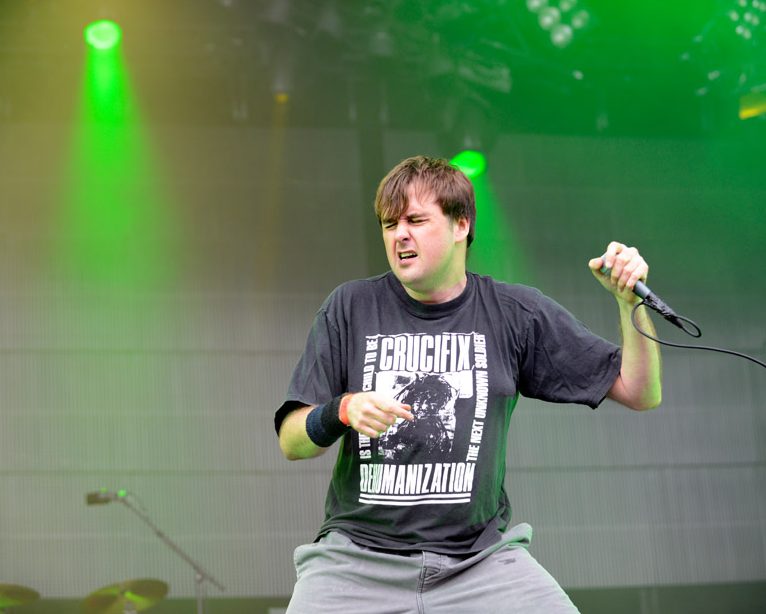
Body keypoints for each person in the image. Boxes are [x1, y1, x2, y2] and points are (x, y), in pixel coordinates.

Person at [274, 155, 662, 613]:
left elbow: (640, 391)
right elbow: (292, 442)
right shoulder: (350, 306)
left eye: (416, 220)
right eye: (388, 224)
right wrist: (340, 410)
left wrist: (627, 303)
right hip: (357, 561)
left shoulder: (514, 312)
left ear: (461, 225)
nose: (400, 234)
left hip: (479, 562)